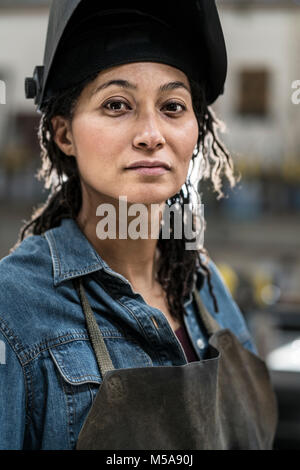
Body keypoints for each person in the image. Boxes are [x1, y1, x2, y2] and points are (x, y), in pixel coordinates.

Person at [0, 0, 277, 450]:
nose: (152, 134)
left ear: (196, 130)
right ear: (63, 134)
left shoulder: (206, 288)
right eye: (116, 105)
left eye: (172, 106)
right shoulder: (12, 310)